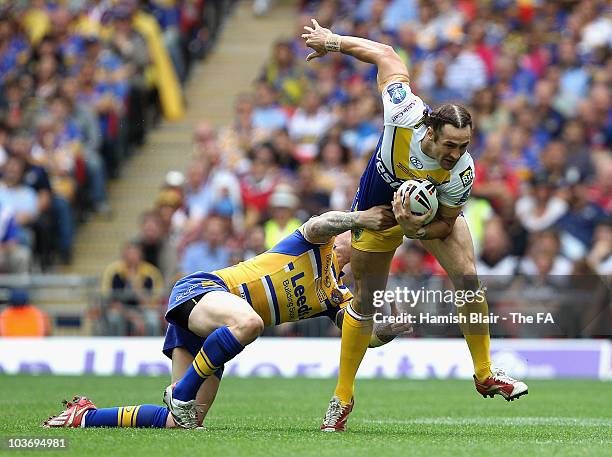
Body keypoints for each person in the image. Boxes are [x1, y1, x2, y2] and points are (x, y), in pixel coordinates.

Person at [301, 18, 528, 432]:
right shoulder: (404, 110)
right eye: (449, 145)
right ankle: (342, 398)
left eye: (464, 146)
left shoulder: (461, 173)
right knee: (366, 303)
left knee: (468, 278)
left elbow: (445, 223)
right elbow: (385, 54)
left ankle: (484, 372)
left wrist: (418, 229)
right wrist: (333, 42)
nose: (456, 153)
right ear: (430, 130)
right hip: (377, 207)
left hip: (428, 214)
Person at [43, 205, 409, 429]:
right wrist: (360, 217)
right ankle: (181, 393)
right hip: (202, 293)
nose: (357, 238)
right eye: (355, 233)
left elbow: (357, 333)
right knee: (250, 324)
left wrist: (384, 334)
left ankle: (86, 416)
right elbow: (321, 222)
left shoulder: (335, 295)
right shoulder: (317, 243)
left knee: (182, 423)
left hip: (216, 334)